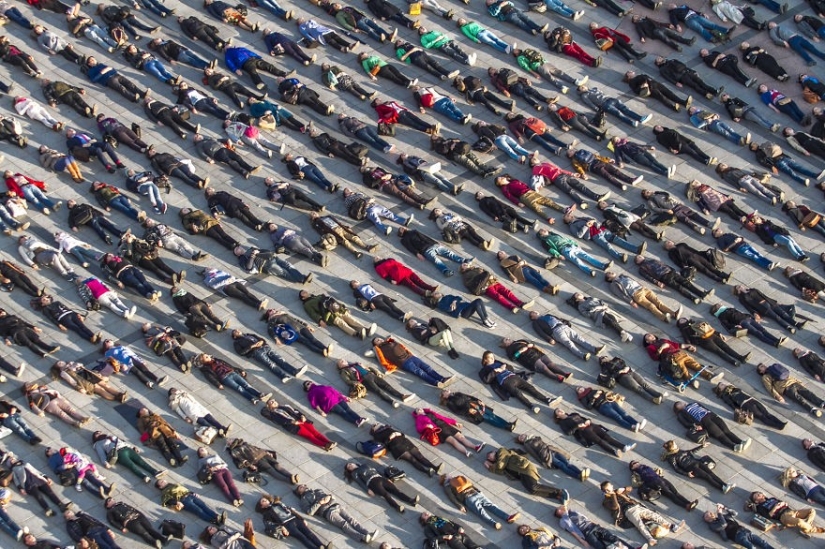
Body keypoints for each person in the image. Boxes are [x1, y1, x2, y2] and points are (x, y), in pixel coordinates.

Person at [600, 481, 685, 545]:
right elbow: (615, 507)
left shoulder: (617, 491)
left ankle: (673, 526)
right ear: (607, 490)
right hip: (628, 511)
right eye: (610, 486)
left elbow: (630, 488)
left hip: (637, 506)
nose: (612, 485)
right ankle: (650, 539)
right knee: (640, 524)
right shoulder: (606, 501)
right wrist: (613, 494)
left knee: (654, 515)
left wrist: (624, 489)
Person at [479, 351, 560, 413]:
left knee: (530, 388)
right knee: (518, 393)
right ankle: (531, 406)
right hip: (505, 381)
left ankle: (547, 400)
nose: (493, 358)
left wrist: (505, 366)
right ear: (485, 359)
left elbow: (511, 368)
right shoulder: (484, 370)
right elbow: (486, 380)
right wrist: (496, 371)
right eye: (490, 357)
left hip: (514, 377)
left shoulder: (498, 362)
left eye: (493, 356)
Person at [294, 484, 375, 543]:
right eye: (300, 487)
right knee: (344, 524)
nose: (303, 486)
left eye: (303, 485)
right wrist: (319, 503)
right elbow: (309, 512)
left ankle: (367, 533)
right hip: (328, 512)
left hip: (336, 505)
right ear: (299, 492)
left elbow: (330, 496)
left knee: (352, 520)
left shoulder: (317, 490)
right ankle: (362, 537)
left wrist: (330, 496)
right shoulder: (303, 500)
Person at [483, 448, 569, 502]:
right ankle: (557, 496)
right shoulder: (500, 463)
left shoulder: (501, 451)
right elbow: (500, 471)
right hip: (521, 474)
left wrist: (492, 466)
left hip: (525, 469)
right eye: (488, 459)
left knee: (534, 486)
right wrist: (489, 467)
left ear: (494, 452)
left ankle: (560, 491)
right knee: (532, 490)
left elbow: (500, 466)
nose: (489, 458)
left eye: (489, 455)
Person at [5, 453, 71, 516]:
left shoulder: (26, 464)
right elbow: (16, 480)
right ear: (10, 464)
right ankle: (47, 509)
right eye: (11, 460)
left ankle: (61, 505)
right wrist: (20, 488)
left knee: (50, 492)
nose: (13, 459)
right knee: (38, 496)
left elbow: (36, 471)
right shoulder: (14, 469)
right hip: (28, 483)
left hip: (38, 479)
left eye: (13, 458)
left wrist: (46, 477)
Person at [371, 335, 452, 386]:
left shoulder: (390, 341)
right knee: (420, 372)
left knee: (427, 367)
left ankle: (442, 379)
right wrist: (375, 347)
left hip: (410, 356)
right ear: (376, 344)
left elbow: (398, 343)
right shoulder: (379, 349)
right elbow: (375, 353)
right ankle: (435, 382)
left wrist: (390, 340)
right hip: (403, 362)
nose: (379, 340)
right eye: (377, 341)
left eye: (379, 338)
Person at [194, 353, 272, 405]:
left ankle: (260, 394)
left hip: (232, 372)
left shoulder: (217, 360)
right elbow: (210, 377)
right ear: (204, 361)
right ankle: (251, 398)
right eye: (206, 357)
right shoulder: (206, 368)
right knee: (239, 388)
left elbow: (228, 365)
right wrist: (217, 384)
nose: (208, 356)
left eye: (207, 355)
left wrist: (239, 370)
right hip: (225, 378)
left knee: (246, 384)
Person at [673, 401, 751, 451]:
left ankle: (740, 442)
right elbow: (685, 423)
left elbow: (704, 407)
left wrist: (712, 413)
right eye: (678, 405)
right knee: (720, 434)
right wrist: (694, 425)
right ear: (678, 408)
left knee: (726, 430)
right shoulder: (681, 414)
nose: (680, 403)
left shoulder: (694, 403)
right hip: (703, 420)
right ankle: (734, 446)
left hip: (710, 415)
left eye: (680, 403)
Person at [260, 399, 336, 451]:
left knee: (315, 432)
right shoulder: (274, 413)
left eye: (273, 400)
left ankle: (329, 442)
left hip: (301, 420)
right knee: (310, 436)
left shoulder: (285, 406)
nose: (274, 402)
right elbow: (281, 421)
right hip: (294, 426)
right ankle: (325, 445)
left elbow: (296, 411)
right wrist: (292, 422)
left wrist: (302, 416)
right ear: (269, 406)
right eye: (271, 402)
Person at [661, 440, 733, 493]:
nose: (676, 444)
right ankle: (722, 488)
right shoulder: (671, 457)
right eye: (675, 444)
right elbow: (676, 468)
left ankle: (725, 485)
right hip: (691, 468)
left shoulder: (679, 450)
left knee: (711, 473)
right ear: (672, 448)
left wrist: (702, 446)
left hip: (696, 462)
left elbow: (690, 452)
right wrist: (687, 474)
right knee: (707, 477)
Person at [636, 255, 713, 303]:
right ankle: (693, 298)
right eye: (638, 257)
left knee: (687, 283)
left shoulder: (652, 260)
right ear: (637, 262)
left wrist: (673, 270)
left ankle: (702, 294)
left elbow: (664, 264)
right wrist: (657, 283)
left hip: (670, 272)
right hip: (663, 277)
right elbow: (648, 277)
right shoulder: (642, 268)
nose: (640, 256)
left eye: (640, 256)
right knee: (679, 287)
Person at [370, 423, 441, 475]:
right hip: (397, 447)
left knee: (420, 457)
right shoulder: (377, 436)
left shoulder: (387, 427)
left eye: (375, 423)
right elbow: (384, 444)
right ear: (373, 430)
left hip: (405, 442)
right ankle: (427, 471)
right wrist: (391, 437)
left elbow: (401, 433)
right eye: (374, 425)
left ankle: (435, 468)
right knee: (412, 460)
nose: (376, 424)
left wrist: (397, 434)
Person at [459, 262, 533, 313]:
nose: (465, 264)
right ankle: (512, 307)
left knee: (507, 292)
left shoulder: (476, 268)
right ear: (462, 269)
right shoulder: (465, 275)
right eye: (463, 265)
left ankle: (521, 304)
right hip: (486, 286)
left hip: (493, 281)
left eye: (465, 264)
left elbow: (486, 272)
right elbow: (470, 284)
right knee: (498, 297)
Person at [537, 229, 612, 277]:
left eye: (544, 229)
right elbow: (550, 249)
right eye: (542, 231)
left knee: (587, 256)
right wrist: (558, 255)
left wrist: (575, 243)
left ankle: (603, 266)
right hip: (564, 250)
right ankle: (589, 271)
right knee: (577, 260)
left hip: (572, 246)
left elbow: (566, 239)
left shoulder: (553, 234)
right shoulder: (545, 241)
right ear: (541, 235)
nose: (544, 230)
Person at [747, 491, 825, 536]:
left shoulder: (772, 499)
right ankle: (813, 529)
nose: (760, 494)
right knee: (799, 521)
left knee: (812, 510)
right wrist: (776, 507)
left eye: (759, 493)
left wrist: (783, 503)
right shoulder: (761, 507)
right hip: (783, 516)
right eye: (757, 495)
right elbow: (768, 516)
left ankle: (806, 527)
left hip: (791, 511)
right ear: (756, 501)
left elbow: (785, 503)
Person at [338, 359, 411, 407]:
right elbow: (347, 381)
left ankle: (402, 396)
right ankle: (392, 402)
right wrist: (356, 383)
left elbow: (367, 368)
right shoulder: (344, 371)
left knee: (387, 385)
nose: (343, 361)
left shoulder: (355, 364)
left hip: (371, 374)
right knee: (378, 390)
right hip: (364, 380)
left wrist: (373, 371)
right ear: (340, 366)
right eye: (341, 362)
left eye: (343, 360)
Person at [262, 308, 332, 357]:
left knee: (313, 339)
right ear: (269, 315)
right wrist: (276, 338)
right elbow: (270, 329)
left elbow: (295, 319)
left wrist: (306, 325)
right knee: (306, 342)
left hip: (301, 327)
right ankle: (322, 352)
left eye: (273, 309)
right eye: (270, 311)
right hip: (293, 332)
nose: (273, 310)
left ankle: (325, 348)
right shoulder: (272, 319)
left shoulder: (283, 313)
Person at [703, 504, 778, 549]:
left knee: (763, 543)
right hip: (737, 536)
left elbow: (735, 513)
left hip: (745, 531)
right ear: (706, 520)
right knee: (752, 547)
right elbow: (723, 525)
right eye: (706, 516)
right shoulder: (712, 526)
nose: (708, 515)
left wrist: (724, 508)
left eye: (709, 513)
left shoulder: (723, 516)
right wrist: (719, 514)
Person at [225, 438, 296, 485]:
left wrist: (266, 451)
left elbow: (256, 448)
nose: (230, 440)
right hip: (257, 460)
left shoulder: (243, 443)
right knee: (272, 471)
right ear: (229, 445)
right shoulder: (234, 451)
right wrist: (250, 465)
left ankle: (291, 476)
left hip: (264, 454)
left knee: (277, 466)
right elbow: (242, 460)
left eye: (230, 440)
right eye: (229, 441)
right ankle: (288, 480)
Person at [628, 460, 695, 509]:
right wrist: (644, 482)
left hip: (660, 479)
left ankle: (689, 503)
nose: (636, 462)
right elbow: (634, 484)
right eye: (634, 463)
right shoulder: (635, 474)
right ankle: (686, 506)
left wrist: (658, 472)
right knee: (671, 495)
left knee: (676, 492)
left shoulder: (645, 467)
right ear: (632, 468)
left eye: (636, 461)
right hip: (655, 483)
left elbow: (658, 469)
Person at [711, 303, 785, 347]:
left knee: (763, 330)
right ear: (717, 308)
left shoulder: (730, 309)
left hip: (748, 318)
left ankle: (777, 340)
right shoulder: (721, 315)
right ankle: (774, 343)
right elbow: (726, 323)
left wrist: (751, 316)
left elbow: (741, 313)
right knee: (758, 333)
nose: (720, 304)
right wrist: (734, 326)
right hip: (742, 322)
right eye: (719, 305)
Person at [155, 479, 225, 525]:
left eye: (163, 480)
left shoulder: (173, 485)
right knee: (198, 510)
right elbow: (167, 500)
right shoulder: (164, 492)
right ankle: (213, 520)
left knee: (204, 506)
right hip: (183, 500)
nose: (164, 481)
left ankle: (217, 517)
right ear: (160, 487)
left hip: (190, 495)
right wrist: (177, 502)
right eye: (161, 482)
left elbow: (183, 489)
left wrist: (193, 493)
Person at [566, 148, 642, 191]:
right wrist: (583, 174)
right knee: (610, 174)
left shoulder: (580, 153)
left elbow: (595, 156)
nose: (571, 150)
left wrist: (607, 159)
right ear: (570, 155)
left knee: (612, 173)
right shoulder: (575, 159)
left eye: (571, 150)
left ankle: (627, 182)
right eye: (570, 151)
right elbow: (579, 167)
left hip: (597, 164)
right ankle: (625, 183)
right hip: (596, 165)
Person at [81, 57, 147, 103]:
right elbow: (93, 80)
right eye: (92, 60)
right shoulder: (91, 71)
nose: (94, 61)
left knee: (130, 84)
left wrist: (110, 69)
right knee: (121, 88)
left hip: (116, 75)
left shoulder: (101, 65)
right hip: (109, 79)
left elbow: (112, 69)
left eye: (94, 59)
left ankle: (142, 94)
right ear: (89, 64)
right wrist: (102, 72)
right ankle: (133, 98)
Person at [576, 387, 643, 431]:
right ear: (578, 393)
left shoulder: (591, 390)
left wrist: (600, 392)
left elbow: (603, 392)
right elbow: (589, 407)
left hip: (610, 401)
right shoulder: (583, 398)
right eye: (578, 390)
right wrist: (594, 398)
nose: (580, 389)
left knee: (624, 413)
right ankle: (632, 427)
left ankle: (637, 424)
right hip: (602, 406)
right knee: (618, 417)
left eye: (580, 388)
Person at [578, 86, 651, 127]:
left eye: (583, 86)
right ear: (581, 91)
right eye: (581, 88)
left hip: (610, 99)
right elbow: (590, 104)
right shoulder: (584, 95)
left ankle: (640, 118)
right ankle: (631, 122)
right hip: (604, 104)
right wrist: (597, 109)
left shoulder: (593, 88)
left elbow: (601, 92)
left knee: (626, 109)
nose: (584, 87)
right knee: (618, 113)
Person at [624, 71, 691, 112]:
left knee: (670, 94)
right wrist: (642, 86)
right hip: (650, 89)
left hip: (656, 84)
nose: (631, 71)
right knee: (662, 97)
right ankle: (673, 107)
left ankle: (683, 102)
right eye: (629, 72)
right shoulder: (631, 82)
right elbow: (635, 90)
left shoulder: (640, 75)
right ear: (628, 76)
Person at [423, 291, 495, 327]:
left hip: (466, 306)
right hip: (463, 312)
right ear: (434, 298)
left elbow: (458, 297)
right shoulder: (440, 303)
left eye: (437, 292)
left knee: (479, 300)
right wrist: (455, 302)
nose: (437, 293)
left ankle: (486, 317)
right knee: (476, 303)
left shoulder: (447, 296)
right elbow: (450, 309)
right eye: (435, 294)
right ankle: (484, 321)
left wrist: (454, 301)